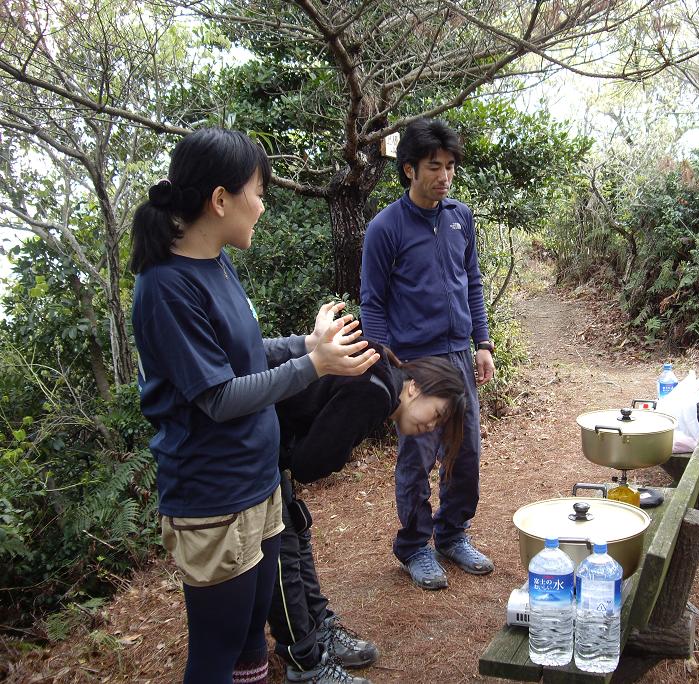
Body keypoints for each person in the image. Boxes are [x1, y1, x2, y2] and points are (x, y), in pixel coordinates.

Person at [129, 127, 379, 684]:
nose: (263, 206)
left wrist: (307, 346)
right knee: (216, 654)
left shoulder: (217, 262)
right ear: (221, 199)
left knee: (249, 644)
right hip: (215, 499)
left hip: (257, 483)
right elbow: (217, 397)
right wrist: (314, 366)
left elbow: (244, 352)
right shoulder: (166, 287)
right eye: (258, 192)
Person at [269, 343, 467, 683]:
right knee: (283, 548)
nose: (430, 427)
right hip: (253, 435)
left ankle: (319, 629)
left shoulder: (380, 372)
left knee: (296, 532)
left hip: (268, 434)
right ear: (415, 388)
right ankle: (305, 665)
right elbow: (309, 464)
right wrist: (337, 450)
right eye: (436, 414)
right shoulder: (375, 392)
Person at [360, 118, 496, 590]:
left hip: (459, 354)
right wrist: (387, 370)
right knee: (417, 459)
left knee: (466, 453)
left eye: (450, 166)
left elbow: (471, 282)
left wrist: (483, 343)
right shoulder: (386, 228)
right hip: (414, 362)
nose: (445, 176)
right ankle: (415, 545)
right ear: (409, 170)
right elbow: (372, 302)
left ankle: (452, 534)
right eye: (434, 167)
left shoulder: (460, 217)